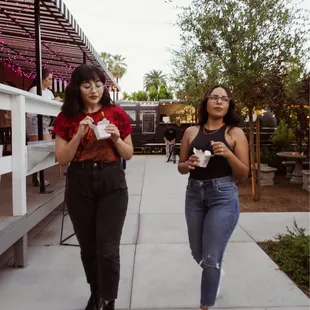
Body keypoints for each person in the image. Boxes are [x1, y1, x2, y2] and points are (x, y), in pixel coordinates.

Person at [53, 64, 133, 310]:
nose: (94, 89)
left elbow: (128, 154)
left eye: (98, 84)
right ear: (77, 88)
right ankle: (96, 292)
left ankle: (109, 299)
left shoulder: (116, 113)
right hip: (80, 182)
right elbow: (62, 158)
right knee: (89, 249)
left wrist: (117, 138)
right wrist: (78, 134)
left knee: (107, 249)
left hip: (112, 180)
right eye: (87, 85)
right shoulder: (66, 117)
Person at [178, 85, 249, 309]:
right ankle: (216, 271)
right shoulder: (191, 132)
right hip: (194, 195)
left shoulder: (234, 133)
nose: (219, 102)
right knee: (196, 252)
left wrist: (228, 154)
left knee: (210, 258)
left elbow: (244, 174)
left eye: (224, 99)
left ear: (229, 105)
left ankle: (205, 304)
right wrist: (187, 164)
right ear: (206, 102)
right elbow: (180, 167)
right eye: (215, 97)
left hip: (223, 197)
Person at [26, 68, 61, 186]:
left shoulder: (49, 92)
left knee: (47, 148)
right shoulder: (34, 90)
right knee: (39, 150)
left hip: (45, 123)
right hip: (35, 121)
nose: (51, 81)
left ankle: (36, 175)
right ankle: (36, 176)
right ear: (42, 79)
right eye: (49, 79)